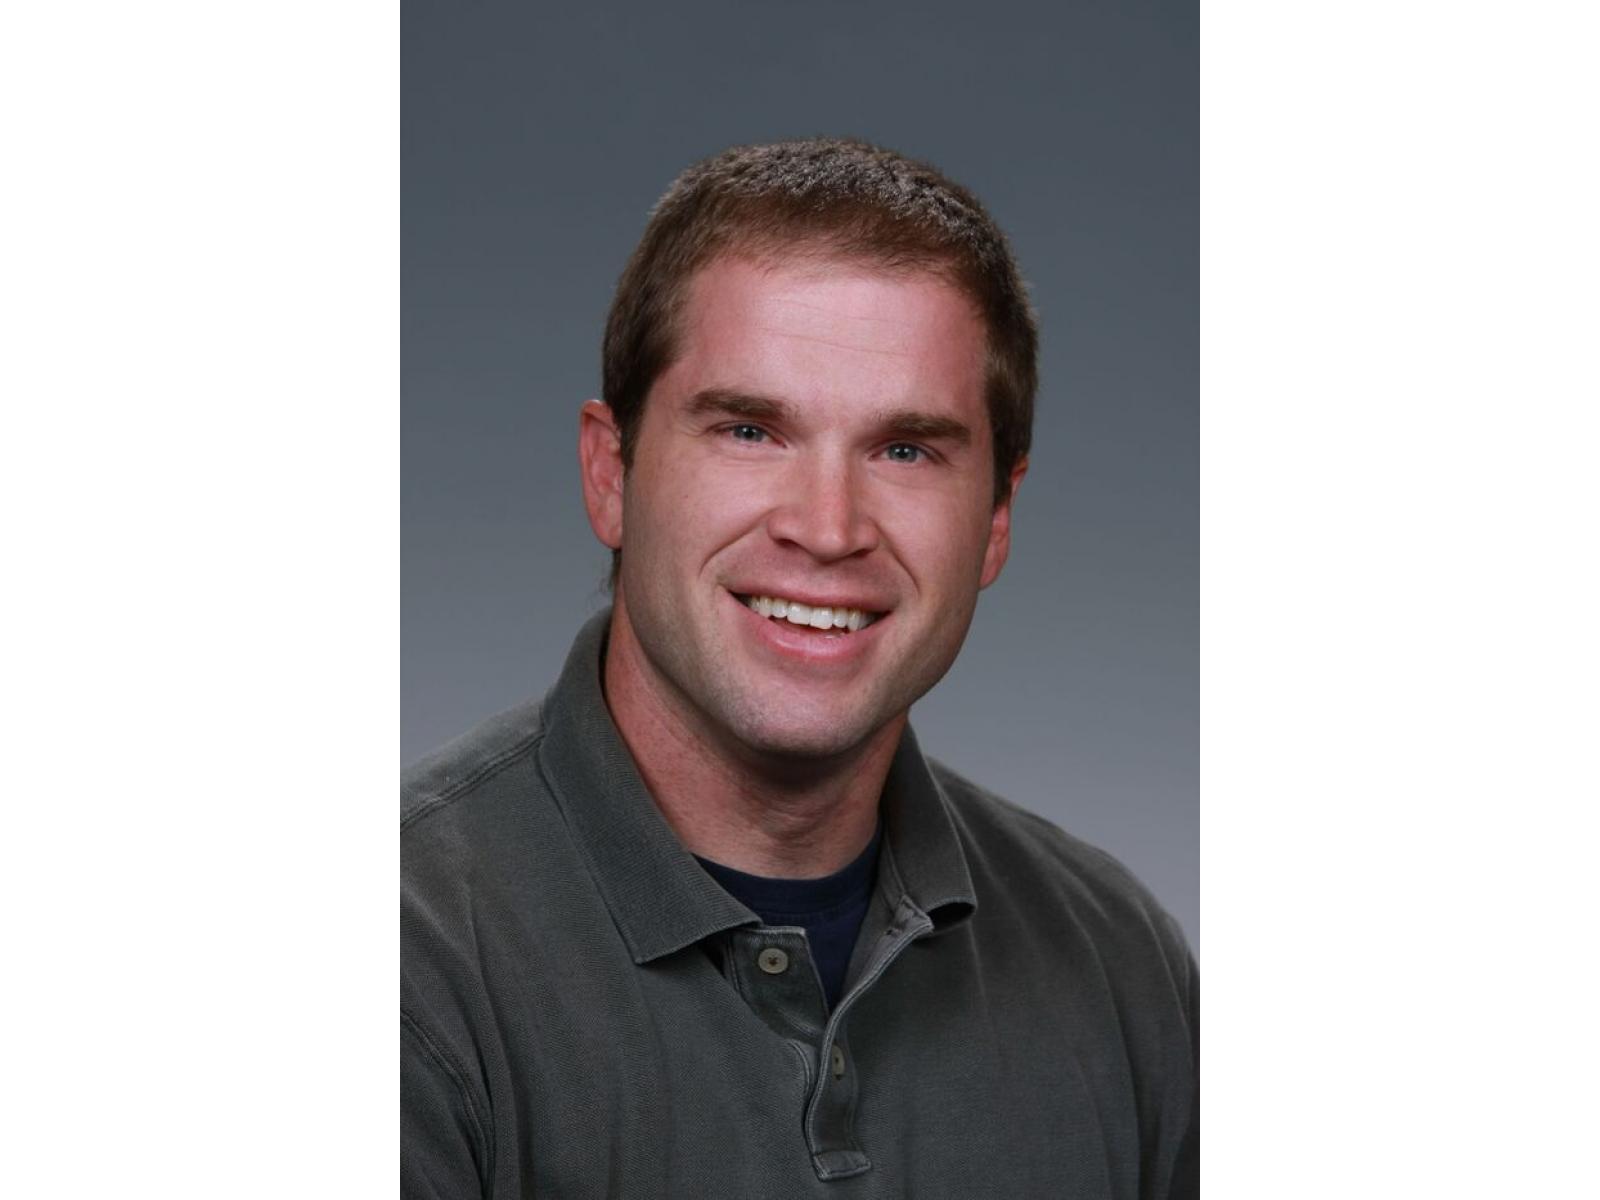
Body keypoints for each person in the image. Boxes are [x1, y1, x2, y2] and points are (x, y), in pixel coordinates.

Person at [402, 137, 1198, 1198]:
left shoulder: (1119, 967)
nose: (828, 530)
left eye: (905, 450)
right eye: (748, 430)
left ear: (997, 519)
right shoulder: (398, 969)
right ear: (611, 474)